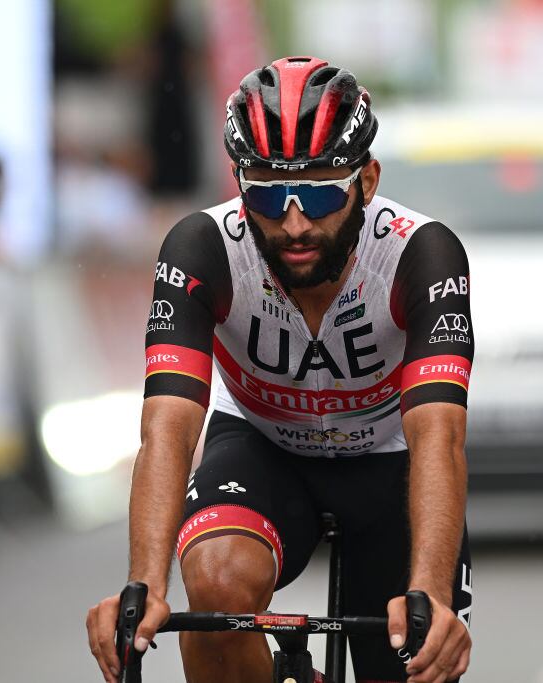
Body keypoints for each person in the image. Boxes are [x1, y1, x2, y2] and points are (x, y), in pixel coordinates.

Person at [86, 56, 474, 683]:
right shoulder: (202, 248)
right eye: (267, 193)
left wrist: (430, 589)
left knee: (417, 652)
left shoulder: (418, 254)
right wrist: (143, 586)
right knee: (213, 584)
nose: (294, 223)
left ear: (366, 181)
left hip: (390, 460)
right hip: (262, 448)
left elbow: (440, 433)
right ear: (239, 184)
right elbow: (169, 427)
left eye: (320, 192)